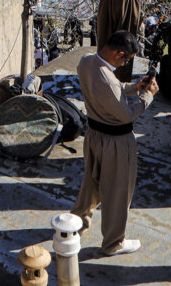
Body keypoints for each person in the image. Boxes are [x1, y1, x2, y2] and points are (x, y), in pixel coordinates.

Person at [67, 30, 157, 256]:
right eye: (125, 59)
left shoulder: (86, 62)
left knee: (91, 185)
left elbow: (108, 91)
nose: (124, 63)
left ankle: (75, 225)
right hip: (116, 142)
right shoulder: (107, 77)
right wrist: (148, 96)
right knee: (118, 193)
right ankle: (113, 242)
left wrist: (134, 87)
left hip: (94, 134)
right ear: (119, 53)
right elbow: (126, 114)